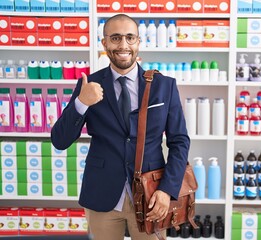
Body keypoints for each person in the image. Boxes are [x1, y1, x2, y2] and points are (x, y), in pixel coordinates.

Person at [51, 14, 190, 240]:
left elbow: (180, 142)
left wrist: (167, 190)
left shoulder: (164, 86)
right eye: (115, 38)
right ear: (104, 43)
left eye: (129, 38)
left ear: (138, 42)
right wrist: (81, 102)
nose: (123, 45)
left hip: (152, 197)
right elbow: (60, 140)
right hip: (101, 195)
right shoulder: (88, 84)